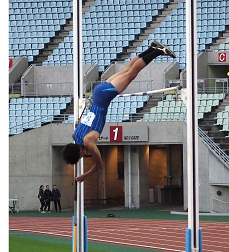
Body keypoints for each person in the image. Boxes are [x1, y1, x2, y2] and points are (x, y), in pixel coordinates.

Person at [62, 40, 175, 181]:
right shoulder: (75, 135)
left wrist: (85, 176)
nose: (82, 157)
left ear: (79, 152)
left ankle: (158, 52)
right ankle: (151, 48)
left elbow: (99, 164)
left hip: (104, 97)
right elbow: (76, 130)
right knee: (127, 71)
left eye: (80, 157)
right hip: (98, 94)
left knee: (131, 73)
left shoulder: (88, 143)